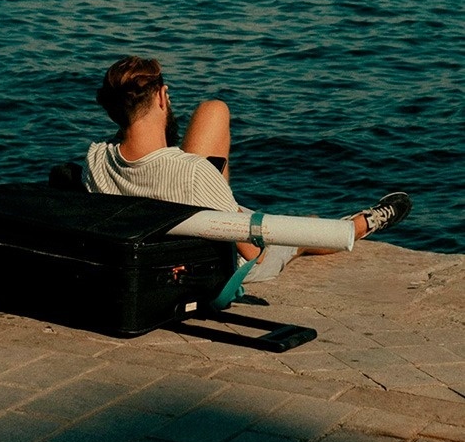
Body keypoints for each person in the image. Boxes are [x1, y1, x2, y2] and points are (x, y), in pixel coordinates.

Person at [83, 56, 412, 283]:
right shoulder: (192, 173)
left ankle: (228, 203)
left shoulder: (95, 158)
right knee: (303, 231)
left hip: (157, 237)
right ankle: (366, 222)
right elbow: (252, 252)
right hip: (219, 266)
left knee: (214, 110)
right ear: (161, 98)